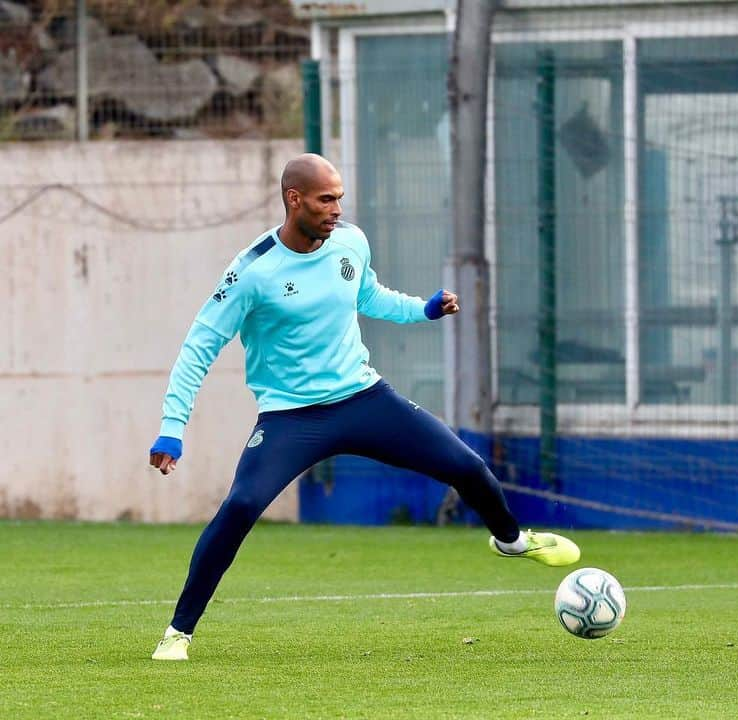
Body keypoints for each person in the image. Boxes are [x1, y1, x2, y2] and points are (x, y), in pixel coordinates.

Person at [148, 154, 579, 661]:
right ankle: (179, 632)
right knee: (241, 506)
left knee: (467, 466)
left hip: (364, 398)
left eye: (340, 198)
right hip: (292, 418)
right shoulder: (252, 271)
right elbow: (198, 347)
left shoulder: (350, 241)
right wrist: (172, 428)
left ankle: (509, 540)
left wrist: (423, 308)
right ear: (294, 199)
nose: (337, 209)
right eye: (326, 199)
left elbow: (368, 295)